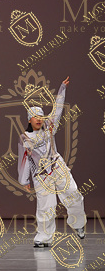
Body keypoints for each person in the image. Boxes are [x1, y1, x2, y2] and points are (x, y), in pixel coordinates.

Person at [17, 76, 86, 248]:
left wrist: (62, 88)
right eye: (35, 117)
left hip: (57, 166)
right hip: (41, 175)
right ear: (29, 119)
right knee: (46, 206)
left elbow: (58, 108)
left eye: (41, 116)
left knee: (73, 194)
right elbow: (24, 159)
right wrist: (24, 180)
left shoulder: (49, 126)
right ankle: (43, 237)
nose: (39, 119)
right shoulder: (25, 137)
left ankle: (78, 224)